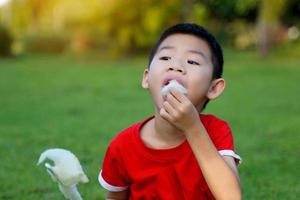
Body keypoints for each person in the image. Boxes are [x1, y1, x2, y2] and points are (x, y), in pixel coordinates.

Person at [99, 23, 242, 199]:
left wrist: (192, 128)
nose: (175, 66)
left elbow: (231, 197)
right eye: (166, 58)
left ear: (213, 88)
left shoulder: (216, 131)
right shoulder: (122, 146)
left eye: (192, 61)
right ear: (146, 78)